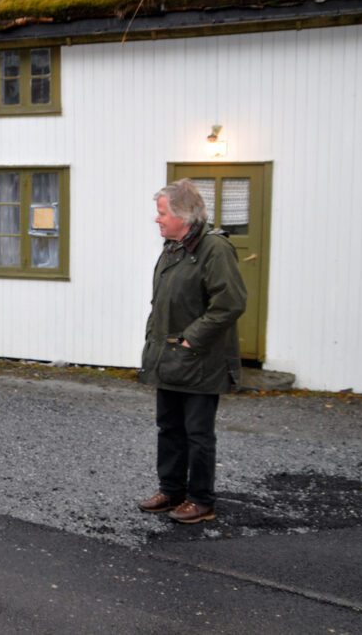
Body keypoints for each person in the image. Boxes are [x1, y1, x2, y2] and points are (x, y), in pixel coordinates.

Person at [137, 179, 247, 524]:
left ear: (184, 215)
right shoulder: (173, 247)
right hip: (168, 358)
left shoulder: (214, 249)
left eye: (162, 213)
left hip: (200, 360)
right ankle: (171, 491)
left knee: (198, 434)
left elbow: (230, 303)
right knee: (169, 427)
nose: (157, 219)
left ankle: (201, 501)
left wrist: (190, 339)